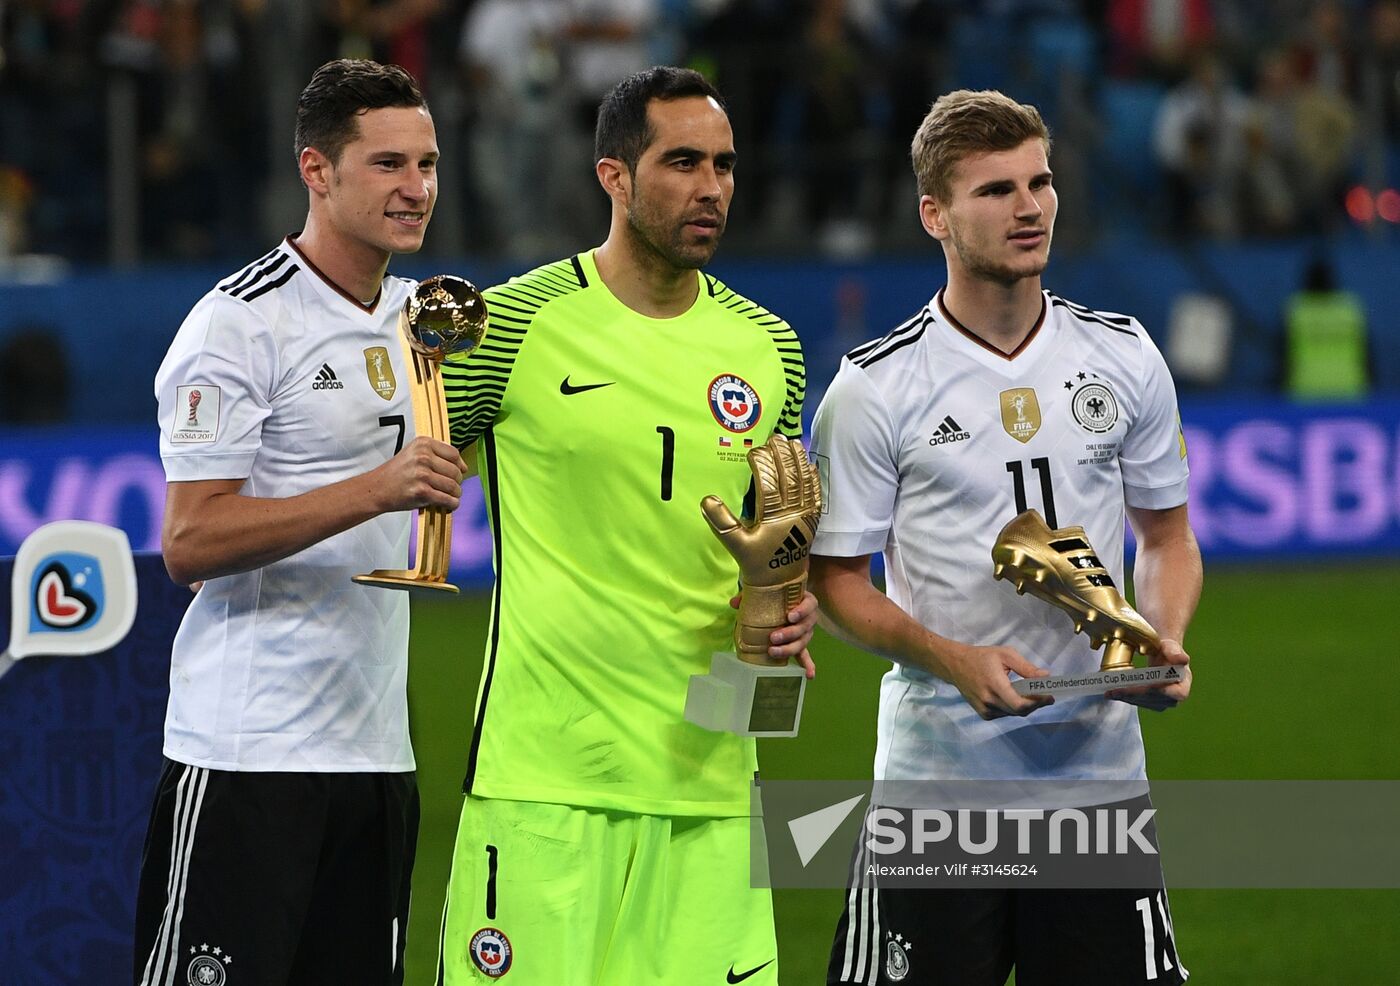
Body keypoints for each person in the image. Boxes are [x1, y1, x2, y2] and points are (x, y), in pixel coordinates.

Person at [809, 89, 1203, 985]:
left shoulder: (1124, 355)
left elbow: (1168, 536)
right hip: (940, 793)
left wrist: (1163, 633)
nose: (1029, 207)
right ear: (934, 215)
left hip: (1098, 790)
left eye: (1041, 181)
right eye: (995, 190)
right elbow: (837, 583)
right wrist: (950, 656)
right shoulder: (875, 389)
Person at [436, 65, 816, 985]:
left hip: (713, 787)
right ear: (614, 176)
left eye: (724, 165)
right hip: (548, 784)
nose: (712, 187)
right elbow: (393, 461)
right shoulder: (513, 325)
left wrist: (784, 611)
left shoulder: (772, 349)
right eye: (683, 162)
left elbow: (777, 552)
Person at [134, 58, 465, 986]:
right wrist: (377, 488)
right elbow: (190, 542)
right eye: (388, 164)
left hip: (376, 754)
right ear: (316, 171)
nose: (417, 189)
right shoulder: (236, 326)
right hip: (248, 754)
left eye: (429, 164)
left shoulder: (424, 320)